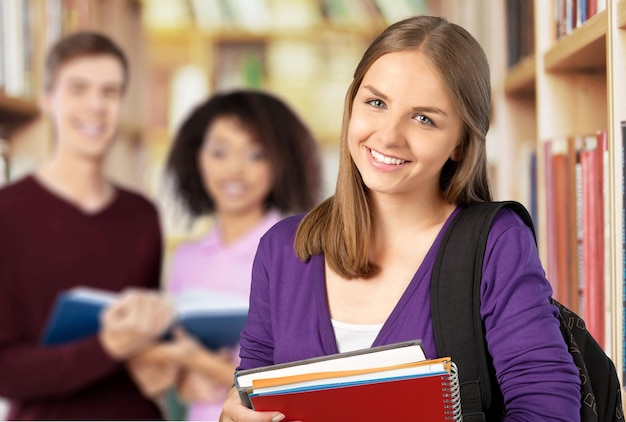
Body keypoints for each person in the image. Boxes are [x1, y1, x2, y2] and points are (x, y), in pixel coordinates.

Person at [219, 16, 581, 422]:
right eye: (376, 103)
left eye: (423, 118)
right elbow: (250, 390)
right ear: (352, 104)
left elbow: (548, 406)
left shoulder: (495, 243)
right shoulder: (283, 249)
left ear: (460, 143)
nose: (389, 136)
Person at [0, 31, 174, 420]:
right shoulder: (6, 214)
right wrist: (108, 346)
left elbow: (145, 346)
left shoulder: (143, 215)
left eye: (109, 92)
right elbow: (4, 370)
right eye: (78, 89)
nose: (95, 106)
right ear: (48, 100)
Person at [127, 90, 323, 421]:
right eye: (219, 152)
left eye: (256, 155)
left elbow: (303, 375)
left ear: (281, 162)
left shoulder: (299, 250)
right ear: (196, 157)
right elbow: (170, 371)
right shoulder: (186, 258)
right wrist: (181, 376)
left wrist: (200, 363)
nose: (234, 170)